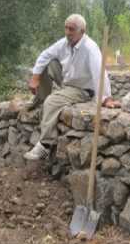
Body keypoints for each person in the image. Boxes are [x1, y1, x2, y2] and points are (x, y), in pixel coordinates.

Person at [24, 14, 119, 160]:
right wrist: (35, 78)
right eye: (66, 28)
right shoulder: (64, 43)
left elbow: (99, 73)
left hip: (82, 89)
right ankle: (39, 99)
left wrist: (105, 98)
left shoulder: (90, 48)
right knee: (47, 64)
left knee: (52, 101)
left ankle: (45, 144)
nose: (68, 32)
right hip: (67, 81)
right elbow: (45, 55)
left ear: (82, 31)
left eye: (72, 29)